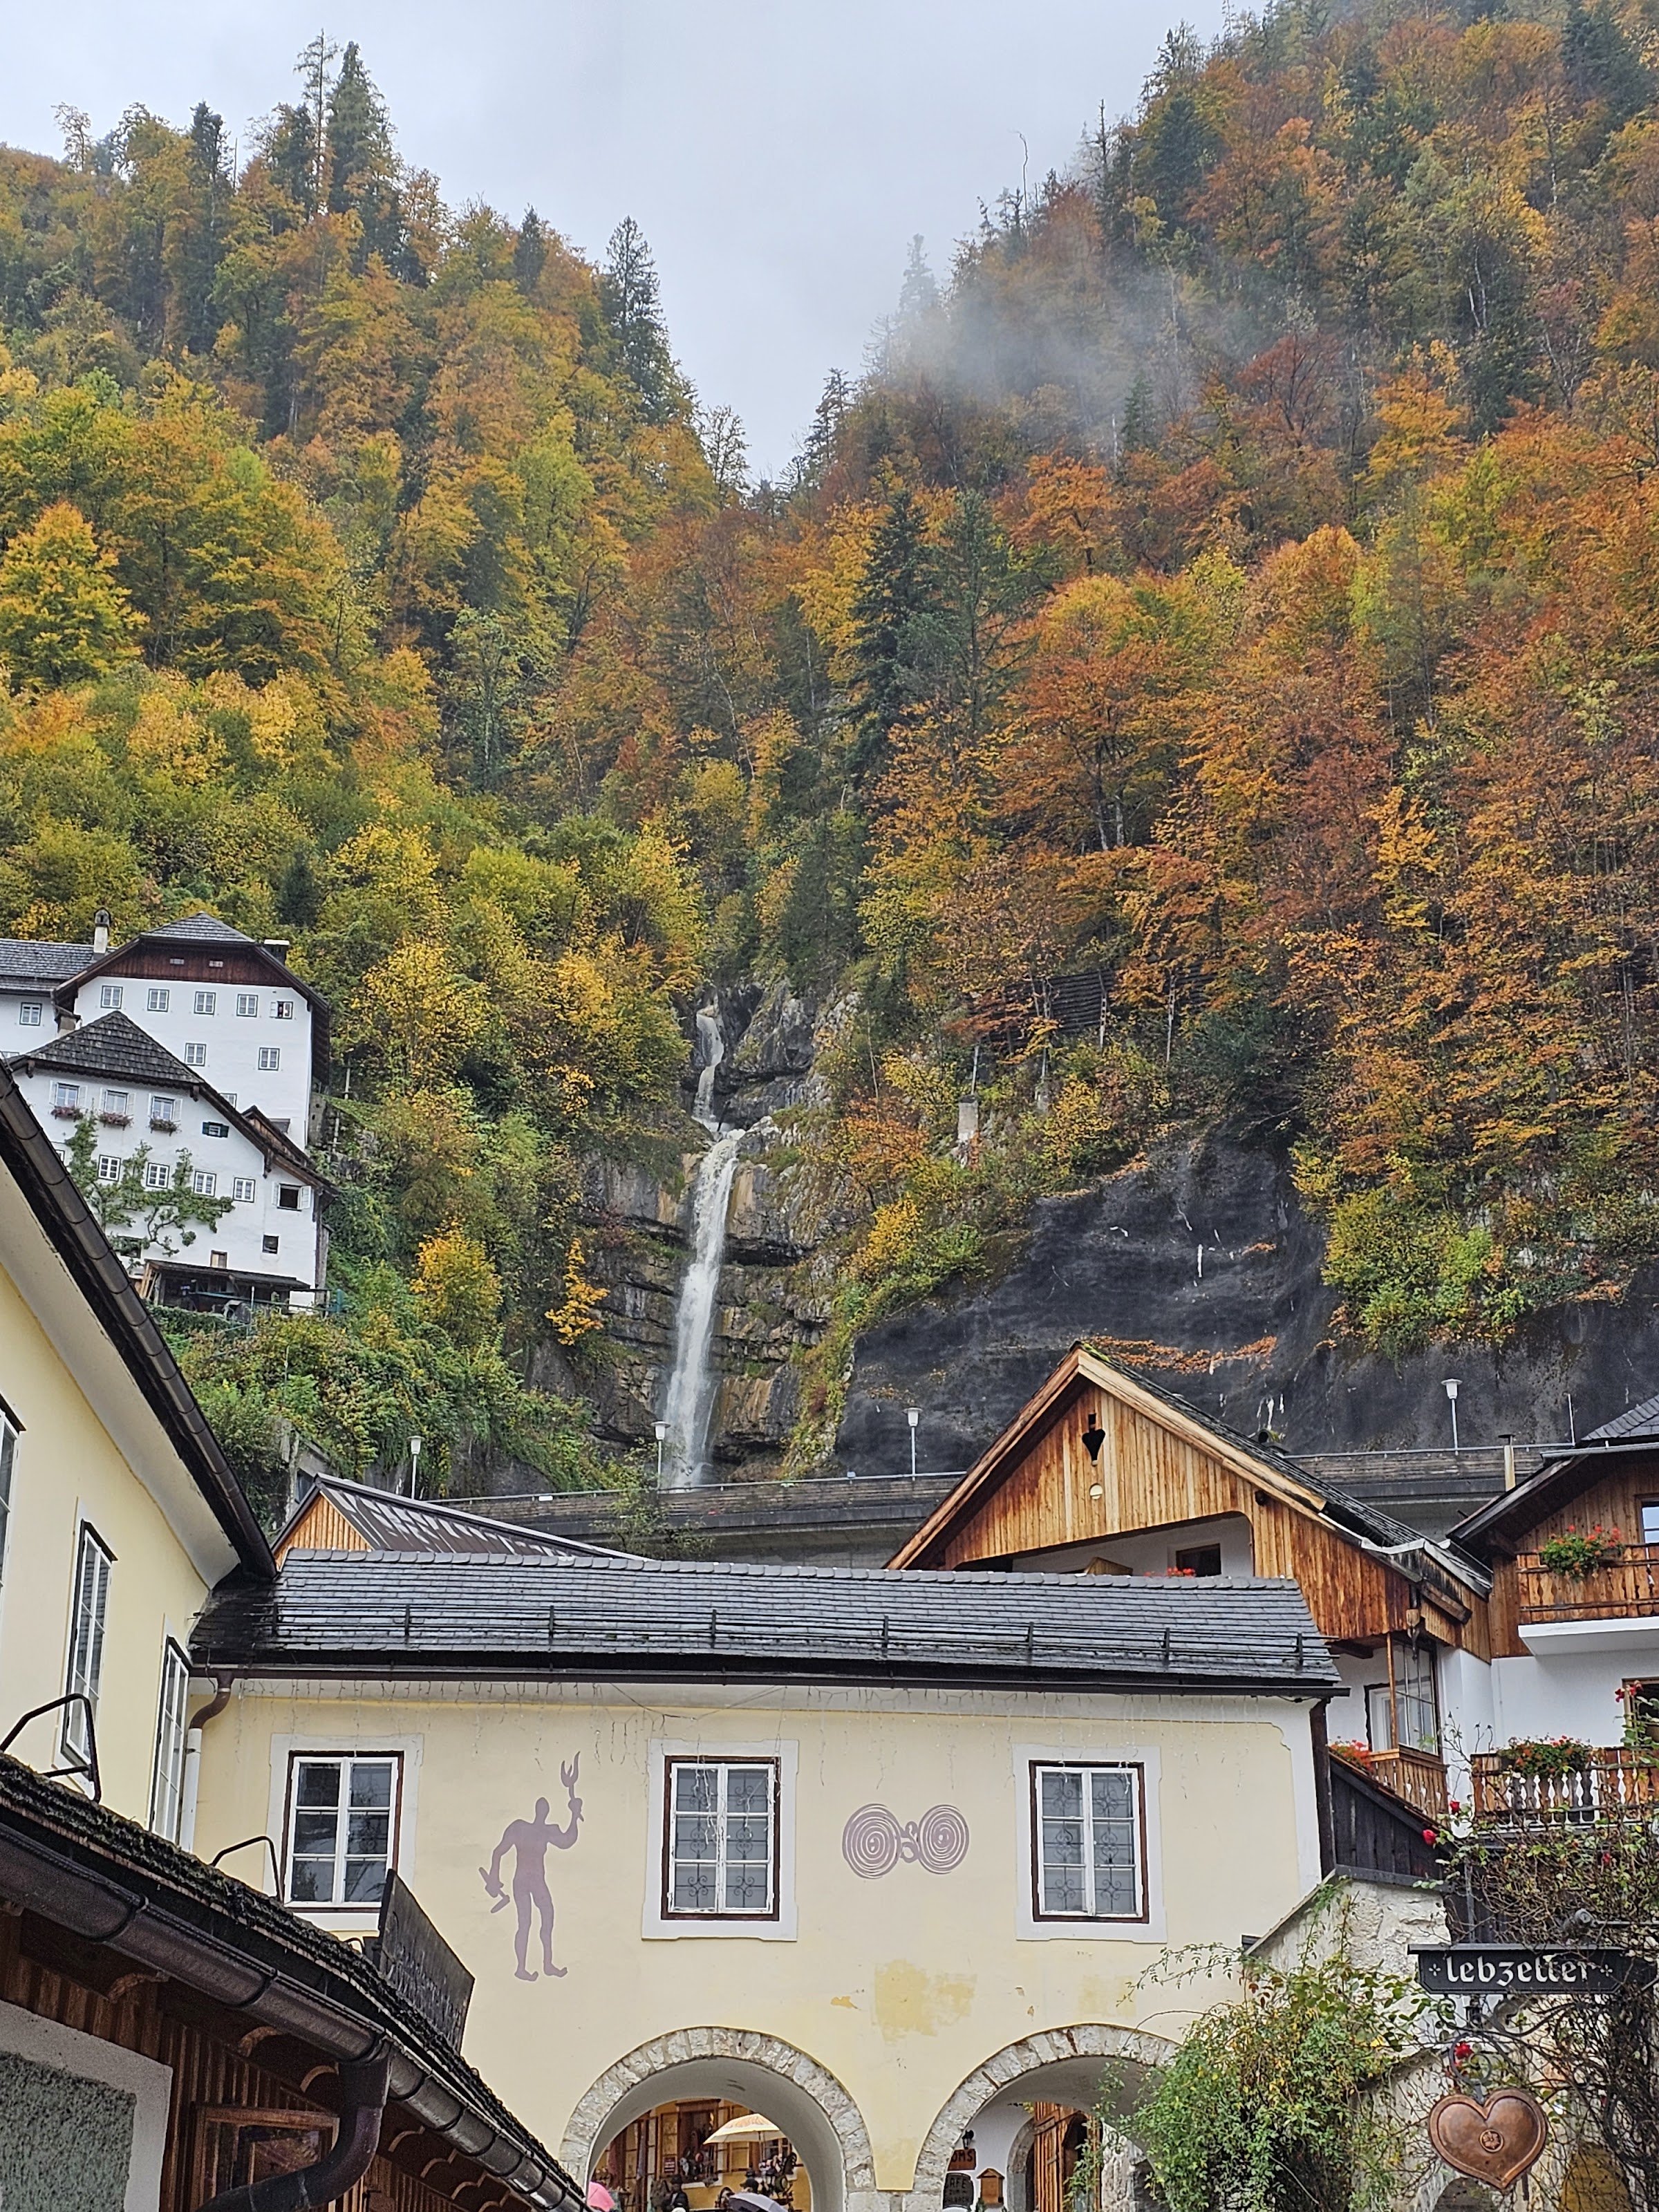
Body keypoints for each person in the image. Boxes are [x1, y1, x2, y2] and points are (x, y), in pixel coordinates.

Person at [480, 1757, 583, 1980]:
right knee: (525, 1922)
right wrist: (494, 1877)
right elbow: (499, 1851)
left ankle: (547, 1964)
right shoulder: (520, 1828)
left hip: (536, 1881)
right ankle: (521, 1968)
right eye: (542, 1809)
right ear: (539, 1810)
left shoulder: (546, 1831)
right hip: (523, 1881)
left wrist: (575, 1816)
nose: (543, 1812)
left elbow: (568, 1840)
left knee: (547, 1915)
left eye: (545, 1809)